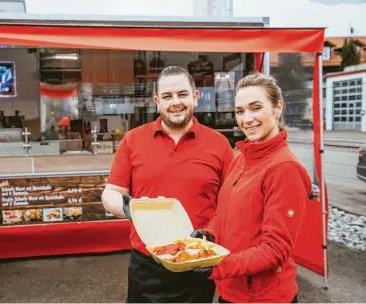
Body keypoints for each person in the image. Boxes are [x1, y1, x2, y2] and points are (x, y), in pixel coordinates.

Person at [101, 66, 234, 303]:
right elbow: (110, 193)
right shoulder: (133, 140)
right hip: (146, 265)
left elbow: (230, 203)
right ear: (157, 101)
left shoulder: (220, 144)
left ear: (195, 96)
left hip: (198, 263)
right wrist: (129, 207)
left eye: (182, 94)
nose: (176, 102)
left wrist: (211, 233)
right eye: (167, 96)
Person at [191, 73, 312, 303]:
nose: (247, 119)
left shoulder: (285, 169)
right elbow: (223, 212)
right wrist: (209, 233)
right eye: (240, 111)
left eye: (255, 108)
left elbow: (275, 250)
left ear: (278, 108)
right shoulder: (241, 158)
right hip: (231, 292)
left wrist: (216, 266)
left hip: (263, 298)